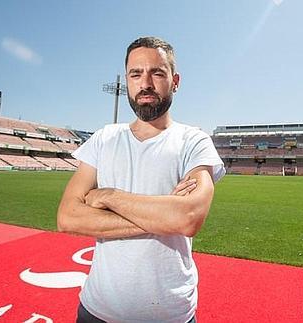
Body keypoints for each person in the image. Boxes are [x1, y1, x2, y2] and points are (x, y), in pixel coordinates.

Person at [57, 36, 225, 323]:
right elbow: (68, 218)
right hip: (96, 309)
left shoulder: (193, 141)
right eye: (136, 74)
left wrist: (109, 197)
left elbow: (188, 218)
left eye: (157, 72)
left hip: (169, 314)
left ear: (175, 81)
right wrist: (162, 216)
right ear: (127, 81)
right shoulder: (103, 138)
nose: (145, 83)